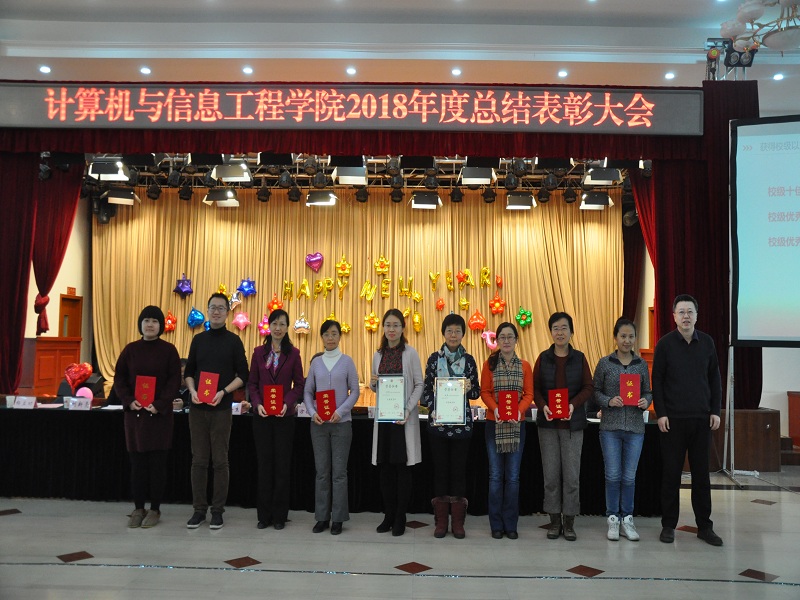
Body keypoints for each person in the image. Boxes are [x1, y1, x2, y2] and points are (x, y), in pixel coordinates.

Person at [652, 294, 723, 546]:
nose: (686, 316)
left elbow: (715, 379)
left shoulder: (707, 343)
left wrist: (715, 410)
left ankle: (704, 526)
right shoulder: (665, 344)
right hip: (673, 421)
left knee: (701, 476)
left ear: (696, 316)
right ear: (674, 316)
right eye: (681, 312)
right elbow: (657, 381)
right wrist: (661, 413)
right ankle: (668, 525)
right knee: (671, 474)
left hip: (702, 420)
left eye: (690, 312)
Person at [184, 293, 249, 530]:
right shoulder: (198, 340)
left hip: (221, 409)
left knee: (220, 461)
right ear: (208, 310)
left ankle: (218, 511)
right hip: (197, 409)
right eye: (213, 307)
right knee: (199, 461)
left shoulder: (234, 341)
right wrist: (192, 390)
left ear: (227, 313)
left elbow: (243, 375)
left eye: (221, 308)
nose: (216, 312)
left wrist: (223, 392)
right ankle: (199, 510)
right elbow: (189, 372)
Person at [114, 306, 181, 529]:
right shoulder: (130, 350)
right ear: (140, 324)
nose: (150, 325)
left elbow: (174, 381)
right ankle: (138, 508)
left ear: (161, 326)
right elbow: (119, 378)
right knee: (137, 465)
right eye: (146, 320)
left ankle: (155, 509)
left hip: (159, 417)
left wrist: (160, 404)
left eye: (154, 321)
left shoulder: (169, 350)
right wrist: (128, 400)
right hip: (135, 416)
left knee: (157, 466)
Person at [533, 312, 593, 541]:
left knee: (571, 476)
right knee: (550, 476)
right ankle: (554, 521)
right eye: (556, 328)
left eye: (564, 328)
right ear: (551, 332)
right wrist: (543, 406)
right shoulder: (543, 358)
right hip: (548, 426)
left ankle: (569, 521)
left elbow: (588, 387)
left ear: (571, 332)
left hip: (572, 426)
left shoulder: (579, 358)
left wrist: (573, 405)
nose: (560, 332)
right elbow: (535, 388)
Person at [422, 314, 481, 539]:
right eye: (449, 331)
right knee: (440, 472)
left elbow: (475, 393)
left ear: (463, 334)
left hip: (461, 427)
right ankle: (440, 522)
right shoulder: (433, 359)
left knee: (458, 472)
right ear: (443, 333)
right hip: (438, 425)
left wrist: (469, 388)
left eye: (457, 331)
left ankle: (457, 522)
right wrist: (432, 407)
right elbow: (426, 390)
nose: (453, 335)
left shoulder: (469, 360)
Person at [593, 318, 652, 542]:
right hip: (610, 428)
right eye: (623, 336)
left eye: (631, 336)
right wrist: (608, 401)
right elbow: (595, 391)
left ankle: (627, 518)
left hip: (635, 428)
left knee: (629, 477)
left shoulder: (641, 364)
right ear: (615, 338)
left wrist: (646, 401)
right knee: (613, 475)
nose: (627, 340)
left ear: (635, 338)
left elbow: (648, 392)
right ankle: (612, 518)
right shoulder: (605, 363)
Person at [247, 308, 304, 530]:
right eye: (274, 324)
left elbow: (299, 385)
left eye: (282, 324)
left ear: (287, 328)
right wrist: (257, 403)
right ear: (268, 327)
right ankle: (264, 515)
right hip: (262, 417)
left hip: (284, 417)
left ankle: (280, 516)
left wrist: (287, 403)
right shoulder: (258, 353)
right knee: (264, 465)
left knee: (282, 466)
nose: (278, 328)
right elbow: (252, 383)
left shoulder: (294, 354)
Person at [303, 320, 360, 535]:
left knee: (339, 473)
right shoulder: (316, 363)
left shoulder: (347, 362)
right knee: (321, 472)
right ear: (322, 337)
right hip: (319, 425)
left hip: (341, 424)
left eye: (334, 333)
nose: (330, 338)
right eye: (326, 334)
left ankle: (338, 518)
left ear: (339, 337)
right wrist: (312, 412)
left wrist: (341, 411)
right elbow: (308, 391)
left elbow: (354, 391)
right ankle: (322, 517)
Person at [369, 308, 423, 537]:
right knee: (385, 470)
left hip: (403, 420)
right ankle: (388, 515)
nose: (391, 329)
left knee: (402, 469)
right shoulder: (378, 354)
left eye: (396, 325)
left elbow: (419, 384)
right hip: (384, 420)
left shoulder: (410, 353)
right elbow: (376, 386)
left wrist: (407, 409)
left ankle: (400, 516)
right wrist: (373, 384)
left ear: (402, 328)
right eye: (388, 325)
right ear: (383, 328)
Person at [479, 321, 533, 540]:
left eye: (510, 337)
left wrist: (518, 411)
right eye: (502, 337)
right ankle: (496, 525)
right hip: (494, 424)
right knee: (495, 476)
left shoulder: (525, 366)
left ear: (516, 340)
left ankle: (511, 524)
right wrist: (496, 409)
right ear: (497, 340)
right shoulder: (489, 364)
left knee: (512, 477)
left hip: (517, 425)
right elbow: (484, 392)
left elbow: (528, 394)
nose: (506, 340)